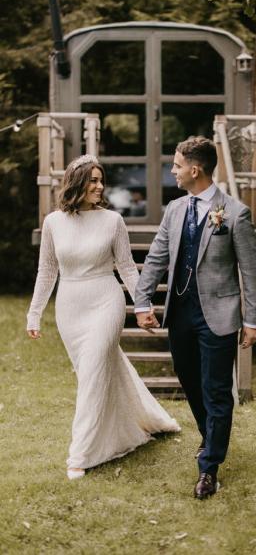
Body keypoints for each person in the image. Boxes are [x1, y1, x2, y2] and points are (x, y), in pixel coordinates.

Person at [27, 154, 180, 480]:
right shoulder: (54, 222)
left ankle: (79, 455)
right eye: (93, 180)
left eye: (101, 180)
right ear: (77, 183)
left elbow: (126, 266)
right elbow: (47, 270)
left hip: (105, 303)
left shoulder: (112, 221)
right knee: (94, 375)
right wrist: (34, 313)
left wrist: (142, 306)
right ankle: (141, 422)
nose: (100, 186)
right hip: (70, 308)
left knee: (95, 371)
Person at [135, 136, 256, 499]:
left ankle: (209, 467)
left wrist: (252, 320)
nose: (172, 171)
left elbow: (251, 272)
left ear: (195, 169)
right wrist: (143, 302)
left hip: (219, 314)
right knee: (189, 380)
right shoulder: (175, 210)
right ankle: (210, 435)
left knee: (217, 390)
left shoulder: (235, 213)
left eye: (176, 165)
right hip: (181, 314)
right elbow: (157, 258)